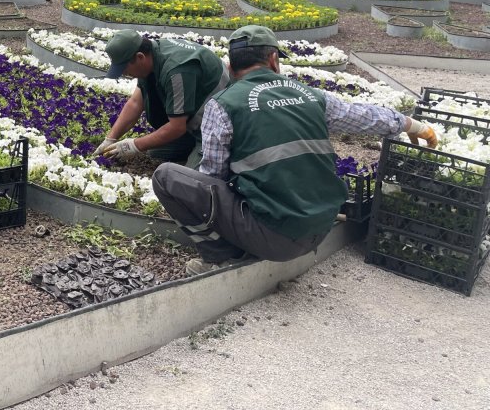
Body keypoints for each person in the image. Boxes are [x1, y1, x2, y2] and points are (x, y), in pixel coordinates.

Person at [151, 25, 439, 275]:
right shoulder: (311, 94)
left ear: (230, 66)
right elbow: (363, 116)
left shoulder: (224, 104)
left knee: (167, 177)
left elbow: (213, 177)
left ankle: (219, 256)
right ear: (273, 60)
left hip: (273, 239)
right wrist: (412, 125)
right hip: (322, 228)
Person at [94, 30, 230, 168]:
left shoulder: (177, 70)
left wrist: (134, 145)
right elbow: (135, 103)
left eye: (124, 68)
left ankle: (206, 150)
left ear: (140, 57)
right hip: (194, 122)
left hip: (216, 128)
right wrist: (110, 139)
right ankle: (191, 147)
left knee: (191, 178)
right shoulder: (152, 54)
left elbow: (177, 127)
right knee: (156, 152)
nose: (125, 74)